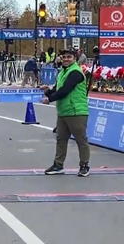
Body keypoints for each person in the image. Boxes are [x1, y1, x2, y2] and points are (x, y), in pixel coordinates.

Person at [41, 49, 90, 177]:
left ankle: (84, 165)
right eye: (64, 57)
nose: (66, 59)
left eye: (69, 57)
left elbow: (65, 90)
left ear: (75, 58)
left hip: (76, 111)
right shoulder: (62, 72)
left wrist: (49, 99)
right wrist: (47, 91)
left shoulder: (75, 72)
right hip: (63, 111)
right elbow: (58, 89)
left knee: (81, 139)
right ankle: (58, 165)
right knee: (61, 139)